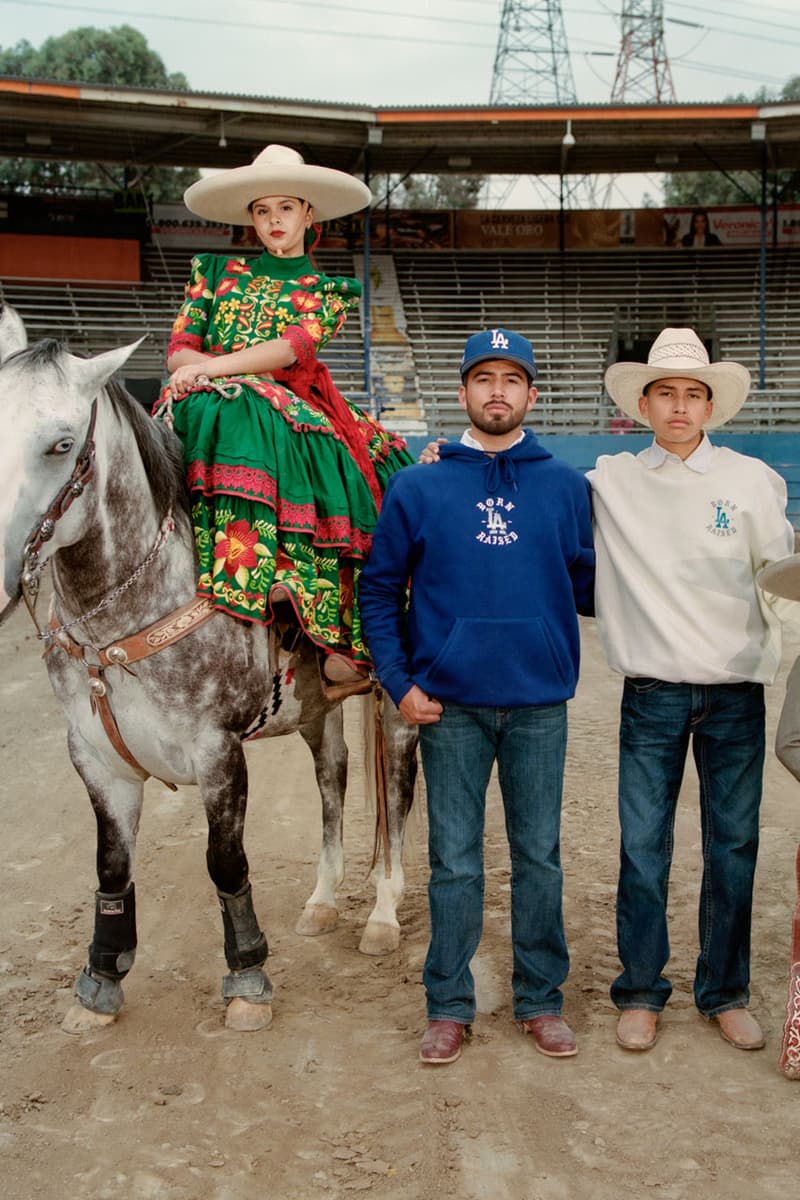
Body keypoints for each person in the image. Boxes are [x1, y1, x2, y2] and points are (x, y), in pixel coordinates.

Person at [358, 328, 595, 1065]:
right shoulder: (420, 484)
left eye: (512, 379)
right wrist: (400, 682)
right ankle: (448, 1005)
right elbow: (376, 590)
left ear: (531, 395)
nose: (498, 390)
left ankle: (541, 1000)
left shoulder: (564, 486)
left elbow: (589, 585)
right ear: (462, 394)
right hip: (448, 706)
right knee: (455, 862)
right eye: (483, 378)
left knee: (539, 858)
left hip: (537, 703)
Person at [590, 328, 794, 1053]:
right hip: (651, 692)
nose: (680, 406)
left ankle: (724, 990)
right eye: (667, 393)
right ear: (642, 404)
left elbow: (784, 579)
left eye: (693, 394)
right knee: (643, 847)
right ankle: (642, 990)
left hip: (734, 693)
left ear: (711, 405)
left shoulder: (751, 482)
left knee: (732, 846)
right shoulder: (609, 480)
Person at [158, 144, 413, 687]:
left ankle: (302, 601)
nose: (275, 221)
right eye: (262, 210)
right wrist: (209, 376)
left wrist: (219, 372)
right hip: (202, 392)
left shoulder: (327, 293)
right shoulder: (213, 271)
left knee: (249, 408)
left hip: (282, 398)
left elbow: (287, 353)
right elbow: (179, 351)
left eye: (286, 209)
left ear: (308, 215)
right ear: (252, 218)